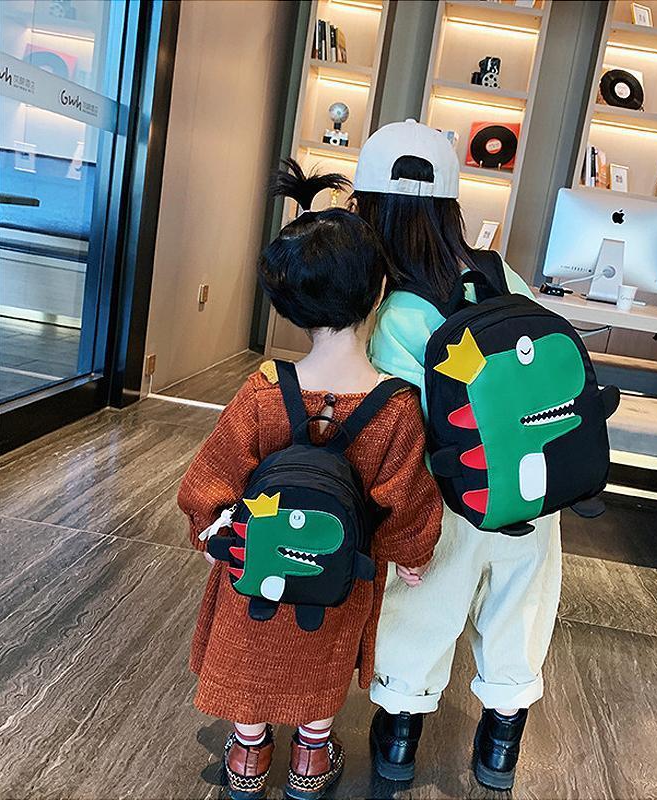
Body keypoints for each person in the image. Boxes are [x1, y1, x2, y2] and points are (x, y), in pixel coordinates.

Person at [177, 161, 442, 800]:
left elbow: (210, 477)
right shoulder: (397, 406)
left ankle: (247, 757)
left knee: (249, 654)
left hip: (255, 568)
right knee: (320, 660)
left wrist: (212, 531)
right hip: (338, 576)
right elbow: (405, 500)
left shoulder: (264, 390)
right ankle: (311, 756)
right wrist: (411, 555)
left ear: (289, 304)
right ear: (380, 292)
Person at [352, 120, 562, 791]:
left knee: (421, 612)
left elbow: (401, 436)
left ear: (376, 215)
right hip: (532, 487)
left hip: (449, 500)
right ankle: (500, 746)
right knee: (519, 610)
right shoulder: (503, 274)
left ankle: (400, 738)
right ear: (449, 208)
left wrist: (394, 528)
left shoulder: (399, 315)